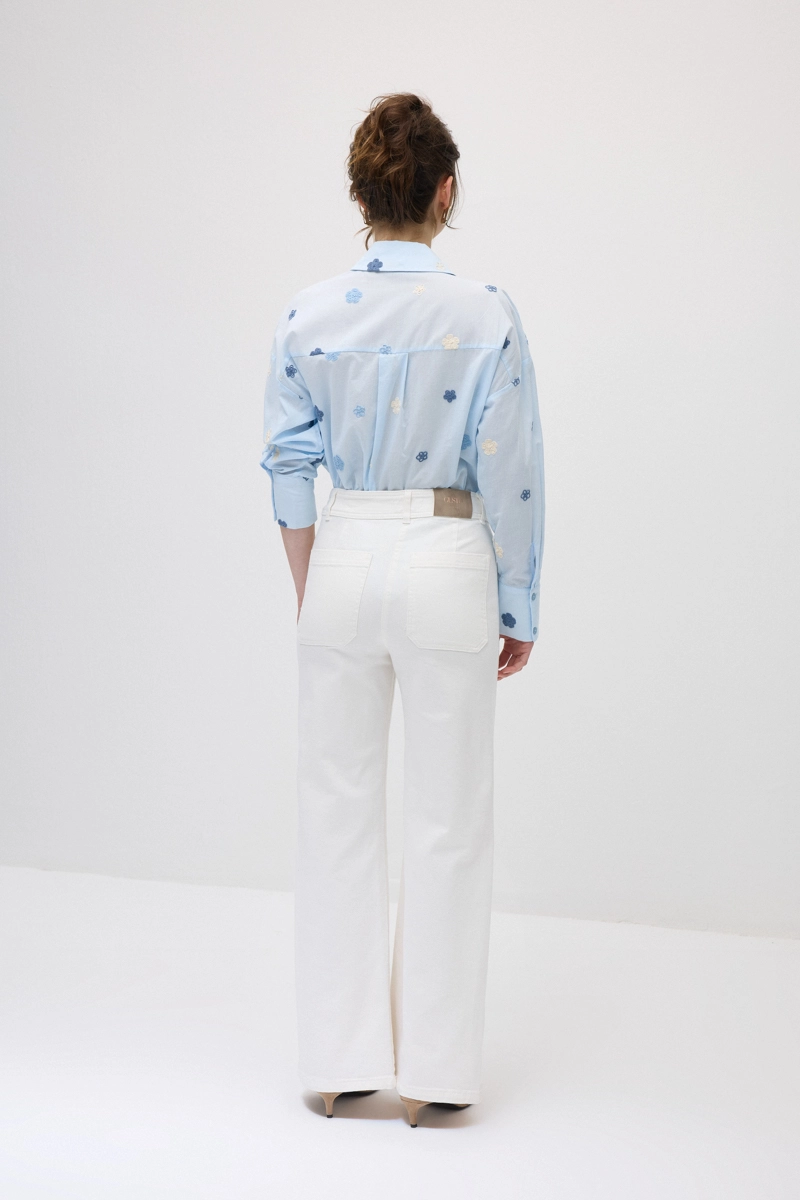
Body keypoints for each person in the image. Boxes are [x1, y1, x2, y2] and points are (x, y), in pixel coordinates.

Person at [260, 93, 545, 1128]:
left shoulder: (308, 314)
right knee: (448, 818)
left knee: (333, 809)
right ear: (445, 191)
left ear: (360, 195)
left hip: (343, 548)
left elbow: (286, 463)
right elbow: (511, 469)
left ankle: (338, 1063)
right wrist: (518, 598)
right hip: (445, 551)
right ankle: (434, 1073)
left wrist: (313, 583)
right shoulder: (485, 312)